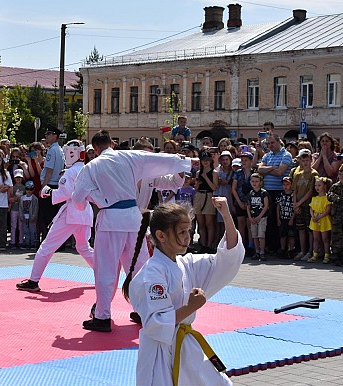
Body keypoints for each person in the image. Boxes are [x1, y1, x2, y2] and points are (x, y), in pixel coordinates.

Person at [72, 130, 192, 332]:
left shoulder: (91, 167)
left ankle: (102, 316)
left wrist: (90, 198)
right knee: (139, 269)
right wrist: (180, 162)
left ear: (94, 149)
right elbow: (152, 158)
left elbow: (77, 201)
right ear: (112, 143)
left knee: (106, 269)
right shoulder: (127, 157)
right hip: (134, 219)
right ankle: (145, 311)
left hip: (110, 219)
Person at [127, 197, 243, 386]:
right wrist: (190, 307)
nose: (188, 237)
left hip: (186, 345)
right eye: (182, 232)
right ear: (161, 236)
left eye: (189, 231)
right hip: (160, 352)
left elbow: (226, 260)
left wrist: (226, 215)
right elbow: (155, 323)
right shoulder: (152, 274)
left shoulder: (185, 263)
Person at [16, 140, 94, 292]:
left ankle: (33, 280)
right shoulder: (86, 169)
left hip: (71, 214)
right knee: (84, 247)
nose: (65, 157)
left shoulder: (71, 172)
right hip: (84, 213)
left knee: (46, 247)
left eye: (66, 154)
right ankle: (104, 275)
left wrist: (49, 192)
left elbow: (66, 193)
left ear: (73, 154)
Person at [257, 135, 292, 253]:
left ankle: (279, 247)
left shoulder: (286, 155)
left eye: (272, 143)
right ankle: (270, 246)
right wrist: (272, 167)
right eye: (268, 144)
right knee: (269, 220)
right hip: (267, 191)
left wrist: (267, 169)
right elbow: (259, 170)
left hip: (280, 191)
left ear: (279, 142)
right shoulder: (267, 155)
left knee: (279, 220)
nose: (270, 145)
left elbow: (280, 172)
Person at [38, 124, 65, 239]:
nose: (46, 136)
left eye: (49, 134)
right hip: (57, 185)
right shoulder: (59, 149)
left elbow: (49, 170)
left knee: (47, 216)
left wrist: (43, 188)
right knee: (55, 215)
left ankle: (48, 240)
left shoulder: (52, 150)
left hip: (50, 185)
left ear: (55, 136)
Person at [292, 148, 318, 261]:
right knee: (301, 229)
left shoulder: (314, 174)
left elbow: (310, 191)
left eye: (307, 160)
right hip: (298, 205)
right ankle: (302, 251)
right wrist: (295, 204)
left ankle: (310, 251)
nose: (305, 162)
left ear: (311, 160)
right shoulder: (297, 174)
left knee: (310, 230)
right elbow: (294, 190)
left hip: (308, 204)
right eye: (303, 160)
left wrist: (299, 203)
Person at [194, 151, 218, 253]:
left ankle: (209, 245)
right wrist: (197, 183)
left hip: (209, 195)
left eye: (207, 160)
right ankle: (203, 245)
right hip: (199, 195)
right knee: (201, 223)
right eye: (204, 160)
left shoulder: (214, 173)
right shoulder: (198, 172)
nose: (206, 162)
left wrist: (206, 177)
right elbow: (196, 187)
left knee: (209, 223)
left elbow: (214, 187)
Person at [308, 177, 332, 263]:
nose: (317, 187)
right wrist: (313, 216)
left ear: (324, 186)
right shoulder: (314, 197)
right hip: (315, 219)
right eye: (315, 185)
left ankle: (327, 255)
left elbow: (328, 210)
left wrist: (319, 217)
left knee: (325, 238)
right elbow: (311, 208)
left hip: (323, 219)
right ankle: (315, 254)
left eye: (319, 185)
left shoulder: (327, 198)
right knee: (316, 238)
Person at [247, 173, 270, 261]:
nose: (254, 183)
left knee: (261, 235)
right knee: (255, 235)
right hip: (253, 217)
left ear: (260, 182)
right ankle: (256, 251)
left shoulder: (263, 193)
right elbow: (248, 206)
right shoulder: (250, 193)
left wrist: (259, 217)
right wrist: (250, 217)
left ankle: (262, 252)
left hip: (262, 217)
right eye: (252, 181)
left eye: (256, 181)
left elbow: (266, 206)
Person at [276, 177, 296, 259]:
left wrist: (292, 219)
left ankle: (291, 250)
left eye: (287, 184)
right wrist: (278, 218)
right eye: (284, 184)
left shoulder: (294, 194)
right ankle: (283, 249)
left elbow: (295, 207)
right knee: (282, 235)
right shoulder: (281, 195)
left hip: (291, 217)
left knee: (291, 235)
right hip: (283, 217)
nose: (285, 186)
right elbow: (278, 207)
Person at [19, 181, 39, 249]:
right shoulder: (22, 198)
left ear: (33, 189)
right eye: (27, 189)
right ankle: (27, 243)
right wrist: (21, 216)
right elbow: (20, 208)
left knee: (32, 230)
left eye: (31, 189)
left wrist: (34, 216)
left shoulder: (34, 199)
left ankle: (33, 243)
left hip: (31, 217)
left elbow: (36, 208)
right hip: (24, 217)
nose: (29, 191)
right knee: (26, 230)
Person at [9, 169, 26, 249]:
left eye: (20, 178)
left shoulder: (24, 187)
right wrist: (14, 199)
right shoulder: (13, 187)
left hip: (21, 209)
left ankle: (21, 241)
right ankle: (13, 242)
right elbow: (10, 197)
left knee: (21, 226)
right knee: (13, 226)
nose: (18, 179)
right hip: (14, 209)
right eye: (16, 178)